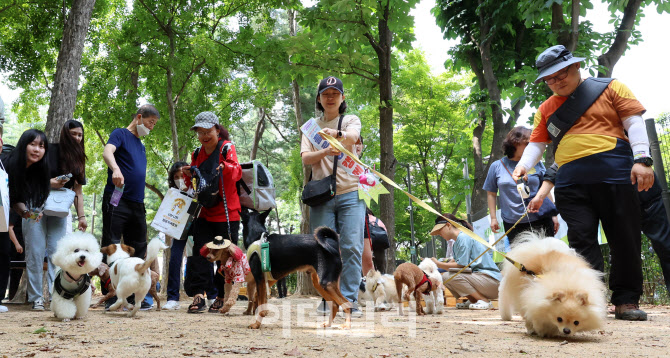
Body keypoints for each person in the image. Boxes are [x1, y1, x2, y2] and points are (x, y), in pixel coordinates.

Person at [512, 45, 654, 321]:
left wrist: (643, 159)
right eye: (549, 79)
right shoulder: (546, 108)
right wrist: (523, 165)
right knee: (581, 240)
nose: (555, 82)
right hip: (571, 183)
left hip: (616, 173)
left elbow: (633, 122)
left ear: (576, 66)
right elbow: (537, 143)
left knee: (624, 237)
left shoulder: (612, 87)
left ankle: (626, 300)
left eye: (560, 74)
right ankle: (591, 300)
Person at [301, 76, 364, 317]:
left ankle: (348, 300)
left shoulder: (350, 120)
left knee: (351, 246)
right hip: (321, 195)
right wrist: (325, 150)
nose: (330, 97)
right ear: (319, 98)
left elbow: (353, 136)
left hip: (351, 192)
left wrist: (336, 133)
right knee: (323, 249)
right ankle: (328, 298)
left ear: (342, 98)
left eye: (334, 93)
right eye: (325, 94)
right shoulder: (310, 127)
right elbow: (306, 157)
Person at [182, 111, 242, 314]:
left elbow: (236, 172)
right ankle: (199, 295)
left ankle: (221, 295)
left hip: (226, 212)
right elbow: (193, 183)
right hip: (203, 212)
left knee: (225, 256)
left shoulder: (227, 148)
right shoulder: (196, 153)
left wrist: (224, 167)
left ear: (217, 130)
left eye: (208, 131)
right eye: (200, 132)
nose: (205, 136)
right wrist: (188, 174)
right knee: (200, 253)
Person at [101, 104, 160, 310]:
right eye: (151, 122)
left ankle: (139, 296)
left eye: (154, 124)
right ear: (139, 117)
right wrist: (115, 169)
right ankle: (111, 295)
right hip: (117, 199)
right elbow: (107, 152)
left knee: (139, 246)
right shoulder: (120, 134)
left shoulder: (141, 145)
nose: (151, 127)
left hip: (138, 203)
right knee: (112, 245)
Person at [483, 126, 559, 245]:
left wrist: (553, 214)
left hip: (541, 218)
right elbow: (491, 194)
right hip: (513, 223)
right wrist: (493, 218)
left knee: (546, 257)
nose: (532, 148)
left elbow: (545, 188)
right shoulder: (496, 166)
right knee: (523, 261)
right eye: (527, 144)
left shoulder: (537, 163)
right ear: (514, 143)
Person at [1, 129, 50, 310]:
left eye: (41, 146)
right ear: (23, 145)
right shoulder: (7, 164)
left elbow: (15, 201)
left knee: (3, 252)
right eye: (33, 144)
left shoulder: (34, 174)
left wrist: (27, 214)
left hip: (3, 211)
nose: (37, 149)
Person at [429, 213, 501, 310]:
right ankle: (474, 300)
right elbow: (452, 264)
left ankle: (484, 301)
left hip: (491, 281)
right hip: (482, 280)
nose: (439, 234)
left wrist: (437, 263)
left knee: (449, 276)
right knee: (446, 276)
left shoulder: (463, 238)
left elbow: (461, 266)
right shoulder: (457, 243)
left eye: (440, 231)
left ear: (448, 225)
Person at [363, 207, 388, 275]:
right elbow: (385, 231)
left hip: (367, 244)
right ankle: (382, 279)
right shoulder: (377, 220)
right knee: (381, 267)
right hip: (380, 245)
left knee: (366, 267)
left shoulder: (363, 219)